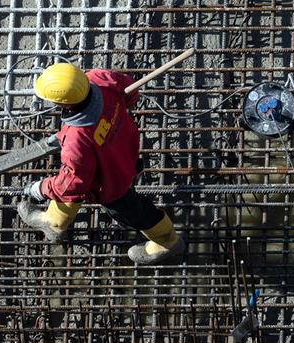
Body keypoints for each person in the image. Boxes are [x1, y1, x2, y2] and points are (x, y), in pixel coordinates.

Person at [17, 63, 185, 264]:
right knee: (78, 182)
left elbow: (72, 183)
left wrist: (42, 189)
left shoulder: (76, 139)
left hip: (111, 183)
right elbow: (130, 90)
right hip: (126, 150)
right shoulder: (99, 77)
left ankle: (167, 241)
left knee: (131, 210)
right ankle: (54, 223)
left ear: (64, 104)